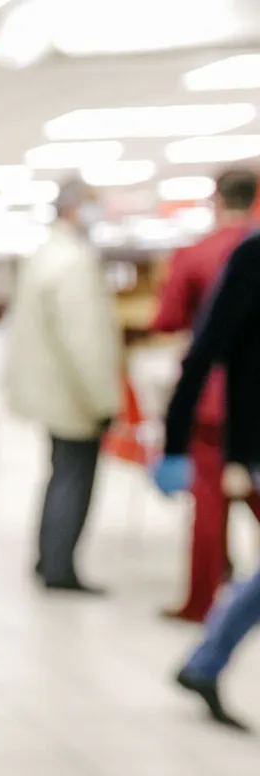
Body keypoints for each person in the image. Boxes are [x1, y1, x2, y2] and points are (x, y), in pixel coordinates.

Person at [155, 224, 260, 730]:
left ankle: (205, 663)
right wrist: (174, 441)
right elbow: (206, 346)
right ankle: (205, 661)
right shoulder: (252, 255)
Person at [5, 178, 123, 594]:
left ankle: (49, 559)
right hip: (73, 395)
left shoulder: (45, 256)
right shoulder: (73, 263)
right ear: (75, 208)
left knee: (60, 475)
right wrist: (104, 401)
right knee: (74, 479)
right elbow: (85, 342)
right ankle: (59, 567)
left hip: (51, 391)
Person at [152, 169, 260, 622]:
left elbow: (168, 319)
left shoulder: (195, 255)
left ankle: (201, 602)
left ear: (216, 200)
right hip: (253, 399)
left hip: (213, 399)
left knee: (210, 505)